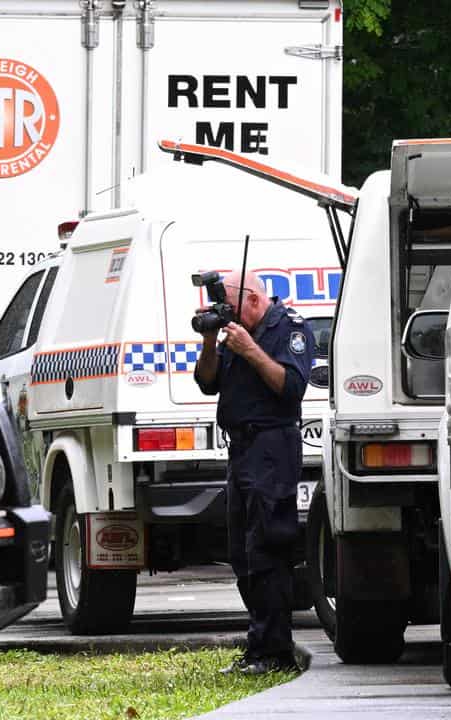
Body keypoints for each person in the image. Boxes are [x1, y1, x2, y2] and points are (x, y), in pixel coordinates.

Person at [194, 270, 315, 675]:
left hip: (273, 446)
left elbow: (291, 386)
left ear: (252, 299)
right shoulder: (234, 331)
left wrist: (250, 350)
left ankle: (276, 651)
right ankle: (258, 645)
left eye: (229, 305)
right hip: (241, 449)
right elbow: (207, 383)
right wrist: (212, 341)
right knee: (240, 552)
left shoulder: (290, 328)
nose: (225, 312)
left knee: (268, 548)